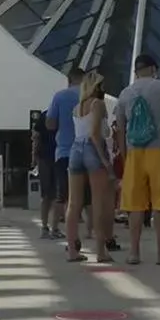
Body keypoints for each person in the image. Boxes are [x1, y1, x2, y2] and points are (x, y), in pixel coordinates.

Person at [112, 54, 160, 266]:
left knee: (135, 206)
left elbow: (120, 129)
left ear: (135, 71)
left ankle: (134, 253)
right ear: (154, 69)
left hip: (135, 153)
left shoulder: (125, 93)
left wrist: (126, 157)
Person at [63, 70, 115, 263]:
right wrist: (106, 162)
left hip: (75, 148)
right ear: (96, 86)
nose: (104, 88)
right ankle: (101, 251)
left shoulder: (77, 107)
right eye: (102, 84)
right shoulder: (98, 104)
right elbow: (95, 134)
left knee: (73, 203)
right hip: (92, 148)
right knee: (98, 202)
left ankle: (72, 251)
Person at [44, 67, 83, 240]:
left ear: (69, 80)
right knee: (90, 195)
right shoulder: (90, 96)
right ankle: (93, 231)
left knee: (63, 193)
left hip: (64, 150)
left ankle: (54, 228)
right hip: (86, 148)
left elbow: (50, 124)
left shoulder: (59, 96)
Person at [32, 108, 63, 239]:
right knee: (58, 195)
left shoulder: (44, 115)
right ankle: (54, 228)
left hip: (44, 158)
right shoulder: (63, 115)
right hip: (58, 157)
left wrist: (34, 157)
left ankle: (45, 227)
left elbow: (36, 137)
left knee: (46, 196)